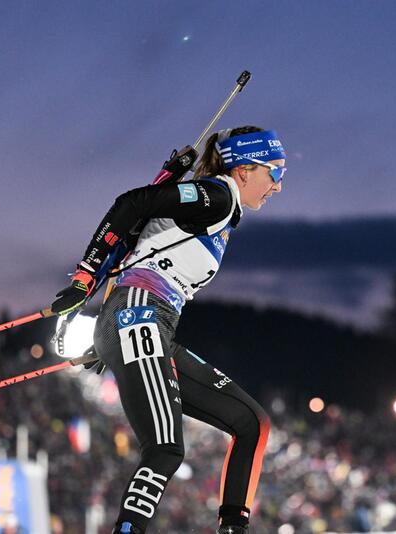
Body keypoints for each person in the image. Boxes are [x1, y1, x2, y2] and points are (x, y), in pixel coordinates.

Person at [51, 126, 287, 534]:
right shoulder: (217, 196)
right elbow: (132, 203)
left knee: (252, 422)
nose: (279, 186)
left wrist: (109, 337)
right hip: (138, 315)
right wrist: (85, 277)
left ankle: (233, 527)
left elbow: (137, 240)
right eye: (275, 172)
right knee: (164, 449)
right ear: (244, 169)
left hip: (146, 323)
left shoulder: (222, 209)